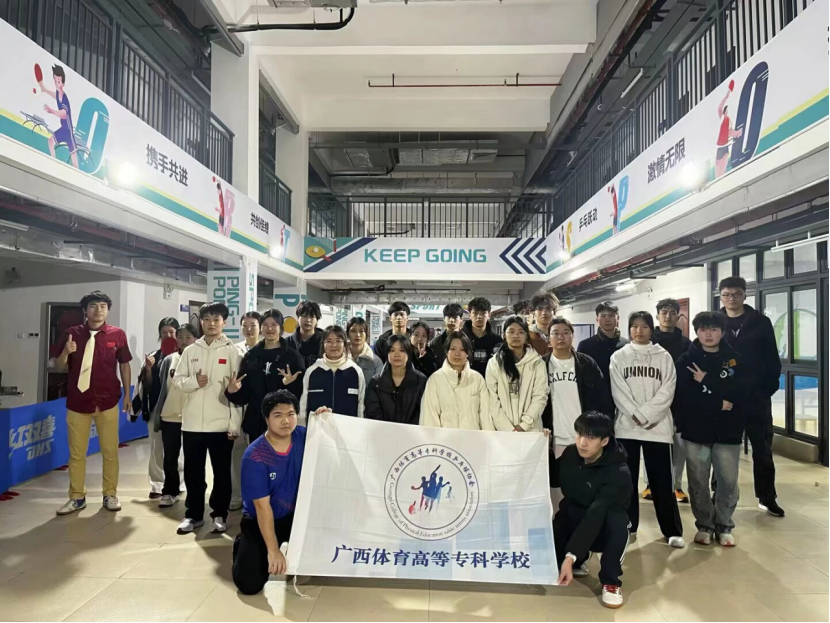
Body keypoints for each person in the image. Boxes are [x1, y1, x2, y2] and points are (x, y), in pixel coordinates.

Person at [610, 311, 684, 548]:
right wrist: (637, 415)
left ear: (652, 329)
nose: (639, 331)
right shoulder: (619, 356)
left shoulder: (664, 356)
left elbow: (668, 389)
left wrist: (648, 415)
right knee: (627, 481)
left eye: (644, 326)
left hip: (658, 426)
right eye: (634, 326)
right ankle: (628, 526)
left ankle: (672, 530)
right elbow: (618, 391)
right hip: (627, 427)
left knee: (662, 481)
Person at [54, 291, 132, 515]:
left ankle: (110, 494)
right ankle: (77, 497)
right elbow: (59, 366)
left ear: (108, 310)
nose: (98, 310)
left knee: (110, 452)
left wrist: (127, 394)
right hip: (78, 402)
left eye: (103, 306)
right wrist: (65, 353)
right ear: (85, 310)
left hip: (108, 401)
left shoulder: (117, 334)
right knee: (77, 454)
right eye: (93, 306)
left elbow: (124, 364)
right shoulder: (71, 334)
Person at [676, 312, 749, 547]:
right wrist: (717, 402)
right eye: (703, 329)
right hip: (696, 431)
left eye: (714, 329)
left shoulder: (735, 360)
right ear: (696, 332)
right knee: (698, 481)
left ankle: (724, 524)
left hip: (728, 430)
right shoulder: (686, 361)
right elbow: (683, 397)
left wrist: (707, 380)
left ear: (722, 332)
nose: (708, 334)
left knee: (728, 480)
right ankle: (705, 525)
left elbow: (740, 393)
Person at [173, 302, 243, 535]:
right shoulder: (191, 351)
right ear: (201, 322)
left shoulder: (233, 352)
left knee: (222, 474)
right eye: (207, 319)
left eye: (216, 319)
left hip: (221, 425)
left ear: (224, 322)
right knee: (193, 474)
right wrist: (194, 382)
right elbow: (177, 381)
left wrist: (234, 424)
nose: (212, 324)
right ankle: (193, 515)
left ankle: (219, 514)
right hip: (192, 424)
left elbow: (237, 393)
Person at [552, 411, 632, 610]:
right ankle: (579, 558)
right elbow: (552, 478)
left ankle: (611, 582)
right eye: (579, 434)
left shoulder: (618, 472)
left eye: (591, 437)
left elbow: (597, 513)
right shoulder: (571, 454)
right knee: (562, 522)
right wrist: (543, 447)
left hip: (602, 524)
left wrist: (570, 555)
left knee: (617, 521)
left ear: (604, 441)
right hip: (574, 517)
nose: (582, 443)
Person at [718, 276, 784, 517]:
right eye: (726, 294)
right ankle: (719, 494)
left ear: (745, 295)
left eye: (736, 294)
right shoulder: (715, 322)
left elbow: (772, 358)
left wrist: (766, 389)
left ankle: (767, 497)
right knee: (722, 451)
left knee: (762, 450)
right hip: (726, 399)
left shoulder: (760, 322)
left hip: (756, 398)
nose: (731, 298)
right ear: (721, 297)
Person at [227, 310, 306, 510]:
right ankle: (256, 508)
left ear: (281, 328)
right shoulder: (251, 356)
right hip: (256, 422)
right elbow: (243, 395)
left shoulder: (292, 356)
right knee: (258, 466)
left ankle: (284, 506)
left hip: (283, 423)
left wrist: (290, 384)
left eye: (274, 325)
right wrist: (232, 391)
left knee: (282, 465)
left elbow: (299, 394)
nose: (269, 329)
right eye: (266, 325)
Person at [232, 391, 306, 595]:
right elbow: (262, 507)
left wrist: (324, 418)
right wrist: (273, 551)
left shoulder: (302, 436)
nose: (286, 421)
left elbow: (329, 436)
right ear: (266, 419)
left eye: (291, 414)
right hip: (261, 519)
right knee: (249, 584)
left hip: (294, 516)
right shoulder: (255, 456)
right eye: (278, 415)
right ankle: (242, 544)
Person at [645, 298, 692, 504]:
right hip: (653, 400)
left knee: (679, 446)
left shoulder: (686, 344)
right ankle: (650, 484)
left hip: (679, 402)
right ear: (657, 316)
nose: (668, 316)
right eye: (664, 312)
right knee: (652, 443)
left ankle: (676, 485)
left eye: (672, 313)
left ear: (678, 316)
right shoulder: (649, 342)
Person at [151, 324, 198, 507]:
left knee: (193, 457)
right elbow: (162, 387)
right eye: (180, 337)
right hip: (170, 416)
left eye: (188, 337)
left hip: (193, 417)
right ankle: (170, 491)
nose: (184, 341)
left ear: (195, 339)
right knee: (170, 456)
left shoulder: (201, 359)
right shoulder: (169, 360)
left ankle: (194, 493)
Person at [485, 316, 548, 432]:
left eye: (521, 332)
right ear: (504, 335)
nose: (516, 336)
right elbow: (492, 399)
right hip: (503, 431)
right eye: (511, 332)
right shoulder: (494, 363)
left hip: (531, 429)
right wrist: (508, 429)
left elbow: (540, 396)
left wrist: (524, 425)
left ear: (527, 335)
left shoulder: (537, 363)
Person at [420, 331, 494, 430]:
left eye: (462, 349)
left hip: (473, 438)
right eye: (453, 349)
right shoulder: (435, 380)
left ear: (467, 353)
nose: (457, 353)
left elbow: (485, 416)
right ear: (446, 351)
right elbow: (429, 419)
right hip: (445, 439)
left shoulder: (477, 379)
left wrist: (488, 438)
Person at [143, 317, 180, 500]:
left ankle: (178, 482)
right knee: (156, 447)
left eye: (171, 332)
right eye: (164, 332)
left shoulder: (186, 355)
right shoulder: (153, 356)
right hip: (157, 409)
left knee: (178, 449)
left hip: (179, 410)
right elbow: (148, 385)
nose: (168, 335)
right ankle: (157, 484)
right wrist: (148, 370)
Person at [300, 325, 365, 422]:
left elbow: (361, 406)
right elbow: (303, 407)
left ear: (345, 344)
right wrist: (302, 428)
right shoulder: (312, 371)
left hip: (347, 428)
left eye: (338, 341)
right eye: (329, 341)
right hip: (318, 429)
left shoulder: (356, 371)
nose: (334, 345)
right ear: (323, 344)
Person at [366, 335, 427, 425]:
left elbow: (422, 413)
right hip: (382, 431)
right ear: (387, 353)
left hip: (412, 432)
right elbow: (373, 414)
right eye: (392, 350)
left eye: (402, 350)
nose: (397, 354)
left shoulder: (421, 381)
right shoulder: (376, 382)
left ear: (408, 353)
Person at [39, 64, 79, 168]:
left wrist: (51, 111)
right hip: (63, 129)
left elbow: (64, 114)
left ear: (63, 83)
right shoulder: (58, 92)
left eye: (59, 81)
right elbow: (56, 96)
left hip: (68, 131)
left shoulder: (64, 98)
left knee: (74, 159)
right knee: (50, 141)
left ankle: (77, 175)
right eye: (55, 80)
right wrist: (44, 89)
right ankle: (53, 162)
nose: (57, 83)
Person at [578, 301, 629, 379]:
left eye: (611, 316)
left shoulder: (627, 345)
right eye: (603, 316)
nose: (607, 319)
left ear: (618, 318)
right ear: (597, 319)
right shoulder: (585, 346)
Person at [462, 297, 503, 377]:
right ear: (469, 315)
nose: (479, 316)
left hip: (490, 381)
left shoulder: (497, 340)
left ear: (489, 315)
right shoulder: (460, 338)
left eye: (483, 313)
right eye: (475, 313)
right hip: (466, 381)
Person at [287, 301, 324, 369]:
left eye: (312, 317)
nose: (308, 320)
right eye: (304, 316)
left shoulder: (324, 342)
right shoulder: (287, 342)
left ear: (317, 320)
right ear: (298, 318)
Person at [347, 316, 382, 385]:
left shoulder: (375, 361)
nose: (357, 335)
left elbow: (379, 386)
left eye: (361, 331)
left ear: (366, 334)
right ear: (347, 334)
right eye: (353, 331)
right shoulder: (341, 358)